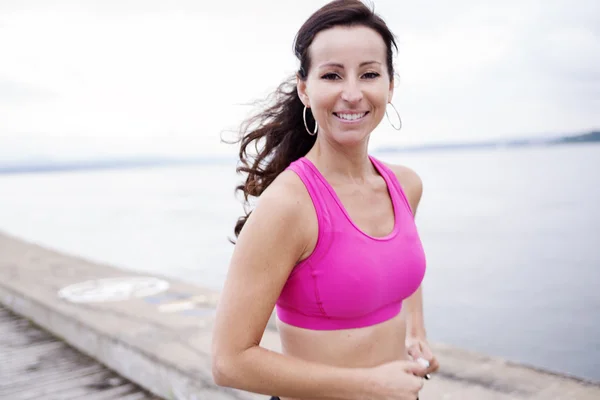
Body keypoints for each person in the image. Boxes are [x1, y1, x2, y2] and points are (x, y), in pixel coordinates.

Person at [212, 1, 439, 399]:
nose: (352, 93)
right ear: (305, 88)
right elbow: (229, 362)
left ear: (390, 85)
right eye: (332, 75)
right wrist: (369, 385)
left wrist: (416, 333)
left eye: (369, 73)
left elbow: (402, 269)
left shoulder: (405, 185)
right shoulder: (289, 205)